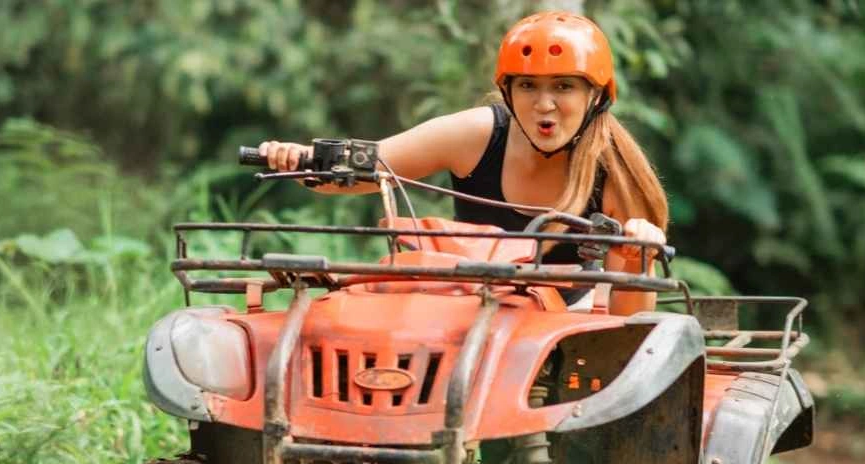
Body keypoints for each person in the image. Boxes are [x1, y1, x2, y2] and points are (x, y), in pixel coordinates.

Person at [255, 10, 669, 287]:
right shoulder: (478, 135)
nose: (544, 105)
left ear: (595, 96)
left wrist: (638, 256)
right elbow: (367, 168)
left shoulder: (616, 174)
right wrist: (298, 161)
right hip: (466, 308)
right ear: (508, 92)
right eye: (528, 85)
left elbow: (630, 324)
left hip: (562, 333)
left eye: (563, 86)